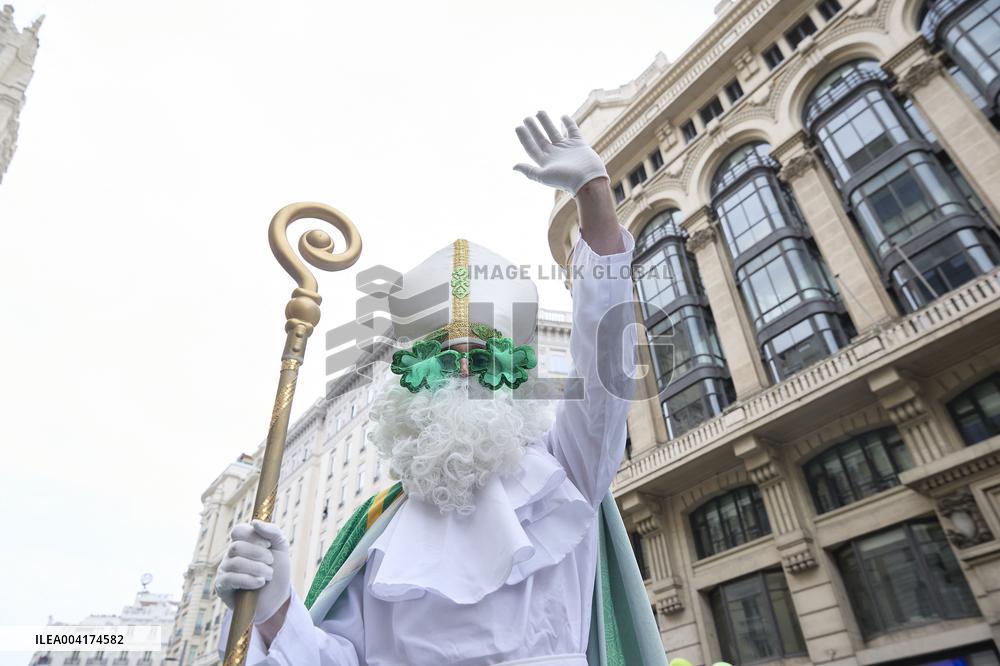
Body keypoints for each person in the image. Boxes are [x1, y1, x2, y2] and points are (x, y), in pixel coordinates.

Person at [214, 110, 667, 665]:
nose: (463, 367)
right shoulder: (377, 525)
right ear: (411, 386)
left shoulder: (564, 470)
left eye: (483, 357)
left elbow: (606, 369)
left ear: (512, 376)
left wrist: (594, 198)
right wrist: (274, 606)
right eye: (443, 359)